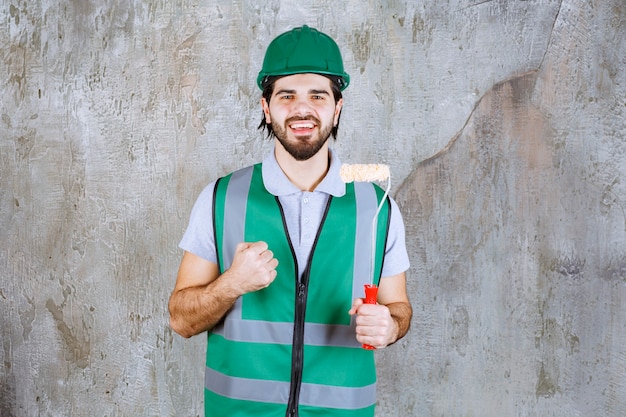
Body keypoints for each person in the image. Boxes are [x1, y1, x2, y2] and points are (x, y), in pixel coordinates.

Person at [168, 25, 412, 417]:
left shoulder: (377, 207)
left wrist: (391, 326)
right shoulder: (221, 198)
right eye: (287, 96)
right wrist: (231, 283)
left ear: (338, 106)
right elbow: (180, 319)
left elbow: (398, 306)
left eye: (318, 95)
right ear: (267, 107)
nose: (302, 109)